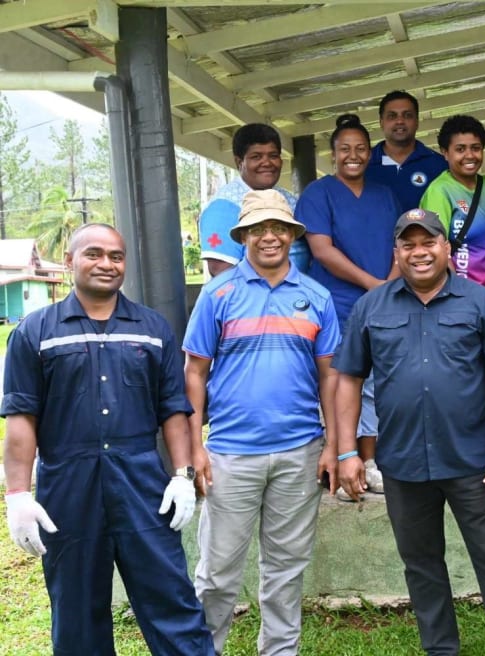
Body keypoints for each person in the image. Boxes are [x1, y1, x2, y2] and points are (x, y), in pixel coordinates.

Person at [2, 223, 212, 655]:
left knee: (172, 602)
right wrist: (18, 495)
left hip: (143, 488)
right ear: (69, 262)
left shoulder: (152, 328)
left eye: (116, 256)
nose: (106, 264)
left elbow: (173, 408)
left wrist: (182, 474)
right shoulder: (36, 333)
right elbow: (21, 417)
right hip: (68, 493)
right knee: (77, 616)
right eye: (93, 254)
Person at [334, 208, 485, 656]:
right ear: (397, 252)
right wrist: (347, 451)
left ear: (446, 248)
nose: (419, 252)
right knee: (421, 564)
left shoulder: (479, 302)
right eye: (409, 244)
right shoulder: (372, 306)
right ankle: (441, 649)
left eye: (429, 243)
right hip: (403, 461)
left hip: (472, 461)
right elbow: (348, 378)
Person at [184, 189, 341, 655]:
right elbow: (194, 372)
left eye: (278, 228)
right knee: (216, 574)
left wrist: (334, 444)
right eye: (258, 229)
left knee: (286, 570)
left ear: (292, 236)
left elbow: (330, 377)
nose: (269, 237)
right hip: (230, 455)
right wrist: (195, 448)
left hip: (300, 453)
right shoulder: (218, 294)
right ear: (245, 236)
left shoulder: (315, 297)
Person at [295, 113, 401, 493]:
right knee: (340, 380)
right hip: (336, 303)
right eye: (344, 150)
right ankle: (342, 458)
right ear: (333, 154)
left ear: (370, 154)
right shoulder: (318, 194)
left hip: (381, 302)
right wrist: (374, 283)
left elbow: (399, 244)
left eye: (360, 149)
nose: (353, 156)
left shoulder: (384, 194)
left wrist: (388, 283)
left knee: (374, 381)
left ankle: (369, 463)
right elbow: (322, 250)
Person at [199, 123, 310, 277]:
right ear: (240, 162)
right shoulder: (224, 207)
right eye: (256, 156)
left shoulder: (289, 200)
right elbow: (221, 271)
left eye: (273, 155)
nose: (267, 163)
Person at [421, 115, 485, 294]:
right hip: (457, 295)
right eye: (460, 149)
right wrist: (460, 297)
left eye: (476, 148)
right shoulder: (439, 190)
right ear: (445, 152)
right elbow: (435, 248)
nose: (469, 155)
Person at [365, 89, 448, 210]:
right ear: (381, 122)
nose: (400, 121)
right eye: (392, 116)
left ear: (417, 122)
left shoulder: (440, 166)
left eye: (407, 115)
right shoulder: (363, 165)